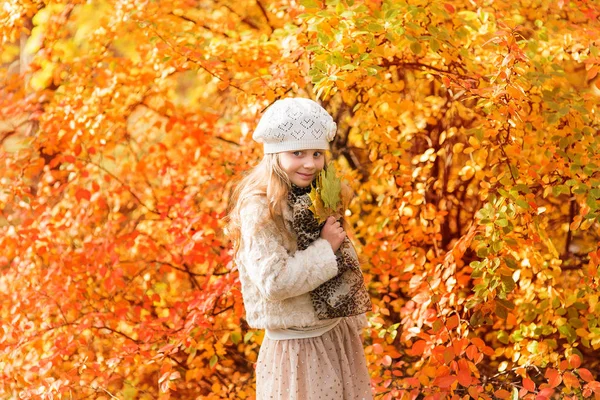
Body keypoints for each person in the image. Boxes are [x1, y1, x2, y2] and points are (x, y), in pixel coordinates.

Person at [225, 97, 372, 400]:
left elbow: (342, 267)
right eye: (297, 152)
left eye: (317, 153)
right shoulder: (260, 207)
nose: (309, 163)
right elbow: (274, 282)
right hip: (297, 349)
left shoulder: (316, 195)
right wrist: (325, 248)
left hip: (335, 337)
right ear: (274, 154)